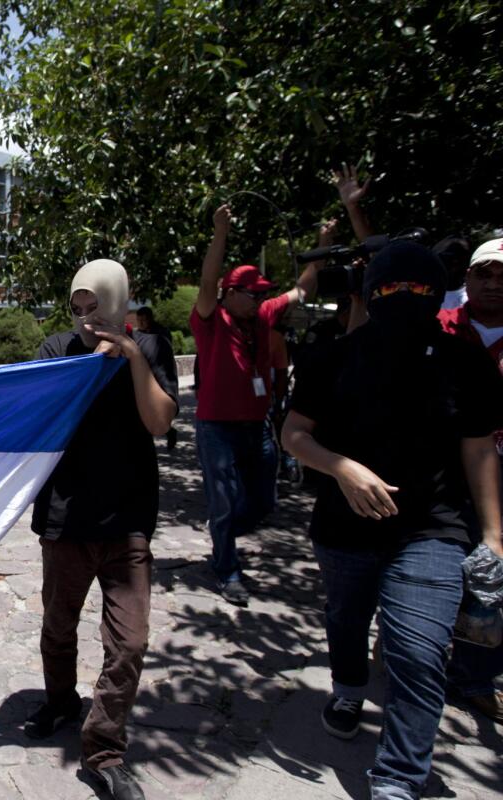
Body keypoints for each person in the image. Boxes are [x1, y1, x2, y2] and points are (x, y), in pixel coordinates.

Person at [282, 241, 503, 800]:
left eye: (419, 288)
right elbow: (293, 435)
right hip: (343, 527)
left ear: (437, 292)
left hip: (433, 530)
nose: (405, 297)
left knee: (419, 652)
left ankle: (398, 779)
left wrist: (496, 536)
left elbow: (479, 450)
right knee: (347, 619)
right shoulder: (331, 357)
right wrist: (344, 470)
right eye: (391, 287)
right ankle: (349, 688)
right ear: (371, 292)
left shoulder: (465, 363)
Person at [25, 261, 178, 800]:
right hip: (66, 519)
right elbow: (40, 412)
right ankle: (60, 700)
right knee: (57, 625)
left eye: (98, 308)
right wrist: (89, 365)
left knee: (130, 642)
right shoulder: (56, 349)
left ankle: (105, 748)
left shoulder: (153, 348)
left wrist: (132, 356)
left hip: (129, 522)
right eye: (78, 309)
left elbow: (159, 422)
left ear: (120, 303)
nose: (87, 320)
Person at [190, 204, 318, 605]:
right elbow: (208, 280)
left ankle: (221, 534)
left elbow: (302, 290)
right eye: (254, 292)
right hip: (218, 429)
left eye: (263, 292)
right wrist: (220, 233)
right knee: (225, 500)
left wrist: (324, 245)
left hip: (258, 427)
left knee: (264, 501)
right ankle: (227, 569)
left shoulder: (262, 316)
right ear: (231, 294)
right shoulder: (211, 319)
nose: (262, 297)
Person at [438, 237, 503, 723]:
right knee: (439, 568)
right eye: (485, 273)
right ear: (468, 277)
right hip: (442, 473)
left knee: (493, 577)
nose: (494, 284)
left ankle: (477, 676)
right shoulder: (439, 328)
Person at [134, 306, 178, 450]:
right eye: (139, 320)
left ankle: (168, 431)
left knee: (158, 408)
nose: (141, 323)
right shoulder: (136, 335)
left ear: (150, 319)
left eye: (144, 320)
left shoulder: (161, 334)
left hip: (158, 376)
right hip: (143, 377)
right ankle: (168, 431)